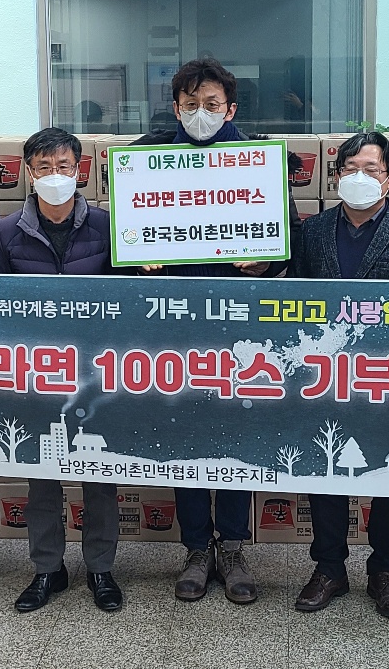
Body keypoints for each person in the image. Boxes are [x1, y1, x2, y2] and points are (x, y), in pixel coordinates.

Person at [130, 57, 295, 605]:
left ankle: (234, 546)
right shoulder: (148, 159)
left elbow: (288, 240)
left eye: (212, 104)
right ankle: (197, 547)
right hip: (174, 325)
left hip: (240, 326)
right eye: (190, 104)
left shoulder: (259, 162)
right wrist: (139, 262)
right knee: (186, 433)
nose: (200, 113)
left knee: (236, 431)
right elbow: (125, 238)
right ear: (176, 108)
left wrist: (265, 263)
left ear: (231, 109)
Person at [288, 131, 389, 621]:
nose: (360, 177)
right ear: (335, 177)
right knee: (327, 468)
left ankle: (386, 572)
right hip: (325, 374)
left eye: (371, 169)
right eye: (350, 169)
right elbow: (296, 302)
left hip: (383, 375)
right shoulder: (312, 231)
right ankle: (329, 567)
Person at [0, 128, 124, 614]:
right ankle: (47, 569)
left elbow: (130, 304)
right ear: (28, 172)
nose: (54, 175)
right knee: (40, 478)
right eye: (44, 167)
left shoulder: (108, 226)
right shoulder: (4, 234)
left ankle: (101, 568)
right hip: (34, 375)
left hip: (97, 376)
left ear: (80, 171)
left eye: (63, 166)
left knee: (99, 475)